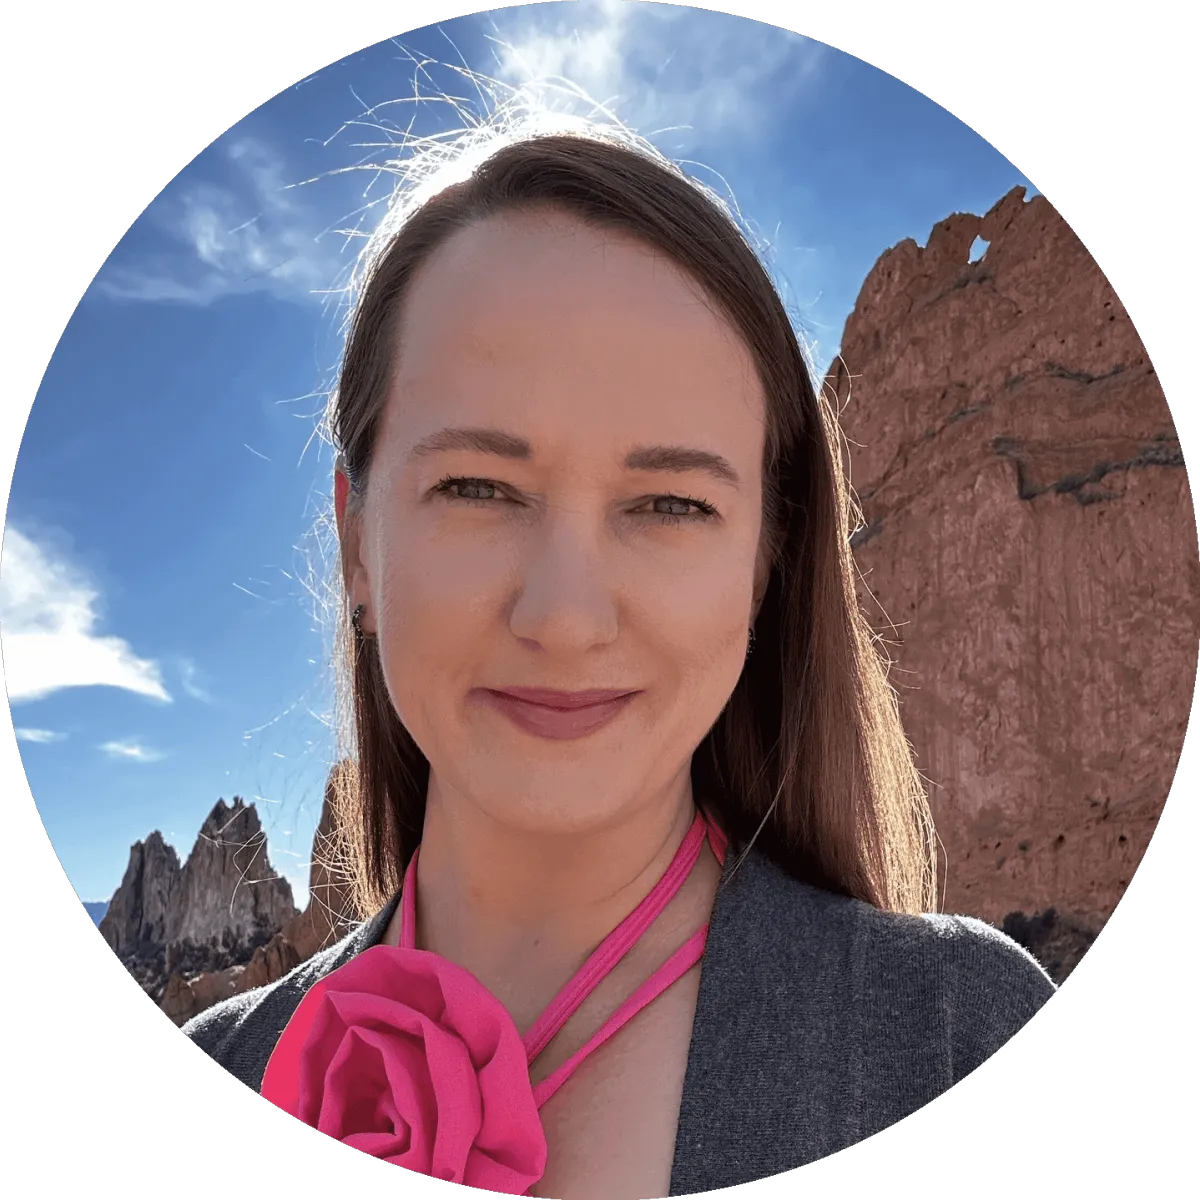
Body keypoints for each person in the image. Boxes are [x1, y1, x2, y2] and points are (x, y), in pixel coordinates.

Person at [180, 114, 1056, 1199]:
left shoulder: (952, 1037)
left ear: (766, 563)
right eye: (479, 488)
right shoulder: (226, 1062)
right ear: (357, 540)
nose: (566, 616)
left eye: (672, 504)